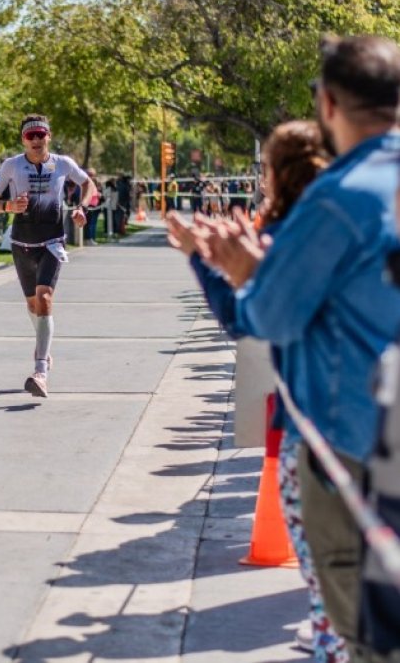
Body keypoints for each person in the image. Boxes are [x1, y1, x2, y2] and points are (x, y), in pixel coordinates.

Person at [196, 35, 400, 662]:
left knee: (369, 639)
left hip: (356, 454)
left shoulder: (337, 198)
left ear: (329, 103)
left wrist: (241, 268)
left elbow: (266, 318)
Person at [168, 121, 346, 663]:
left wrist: (203, 256)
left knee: (331, 582)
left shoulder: (288, 240)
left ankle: (330, 638)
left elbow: (242, 318)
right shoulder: (361, 225)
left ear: (276, 173)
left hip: (313, 431)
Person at [0, 114, 96, 398]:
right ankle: (44, 347)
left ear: (49, 136)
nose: (35, 140)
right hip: (22, 244)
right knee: (34, 307)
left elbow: (89, 185)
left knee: (45, 298)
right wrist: (9, 207)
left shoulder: (63, 163)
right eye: (30, 135)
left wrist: (82, 207)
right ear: (23, 139)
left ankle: (40, 371)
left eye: (40, 134)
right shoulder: (11, 166)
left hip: (52, 243)